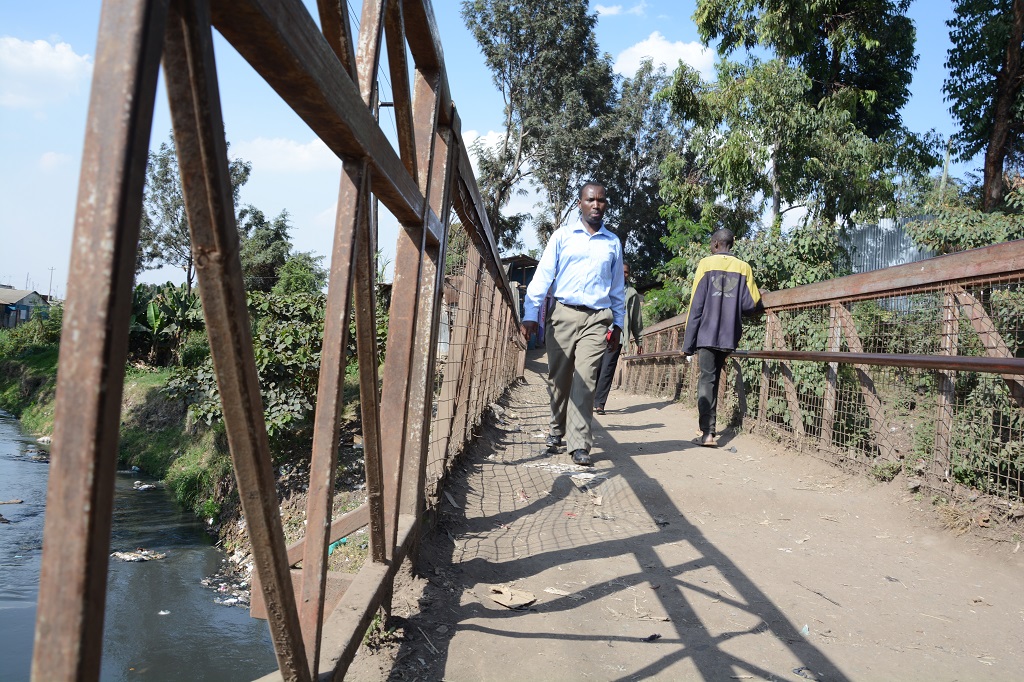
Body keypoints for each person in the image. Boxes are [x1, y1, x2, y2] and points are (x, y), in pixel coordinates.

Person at [520, 182, 626, 466]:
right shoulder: (562, 236)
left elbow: (617, 289)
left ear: (605, 205)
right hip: (563, 315)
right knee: (560, 378)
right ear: (579, 204)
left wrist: (618, 325)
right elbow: (543, 276)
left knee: (586, 379)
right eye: (590, 200)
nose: (596, 205)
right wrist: (530, 314)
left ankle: (579, 443)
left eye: (601, 200)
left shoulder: (612, 243)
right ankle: (557, 427)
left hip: (597, 318)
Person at [682, 228, 764, 447]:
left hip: (706, 334)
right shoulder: (744, 267)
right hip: (729, 334)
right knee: (716, 378)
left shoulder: (706, 265)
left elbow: (696, 305)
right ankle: (711, 429)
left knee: (707, 379)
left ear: (717, 244)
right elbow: (751, 304)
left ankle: (707, 433)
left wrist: (688, 343)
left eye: (711, 244)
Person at [594, 262, 643, 415]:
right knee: (594, 367)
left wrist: (639, 339)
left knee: (607, 370)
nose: (623, 275)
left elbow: (636, 319)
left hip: (617, 337)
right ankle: (587, 398)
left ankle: (599, 403)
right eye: (621, 272)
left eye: (626, 272)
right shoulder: (602, 287)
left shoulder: (632, 294)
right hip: (597, 333)